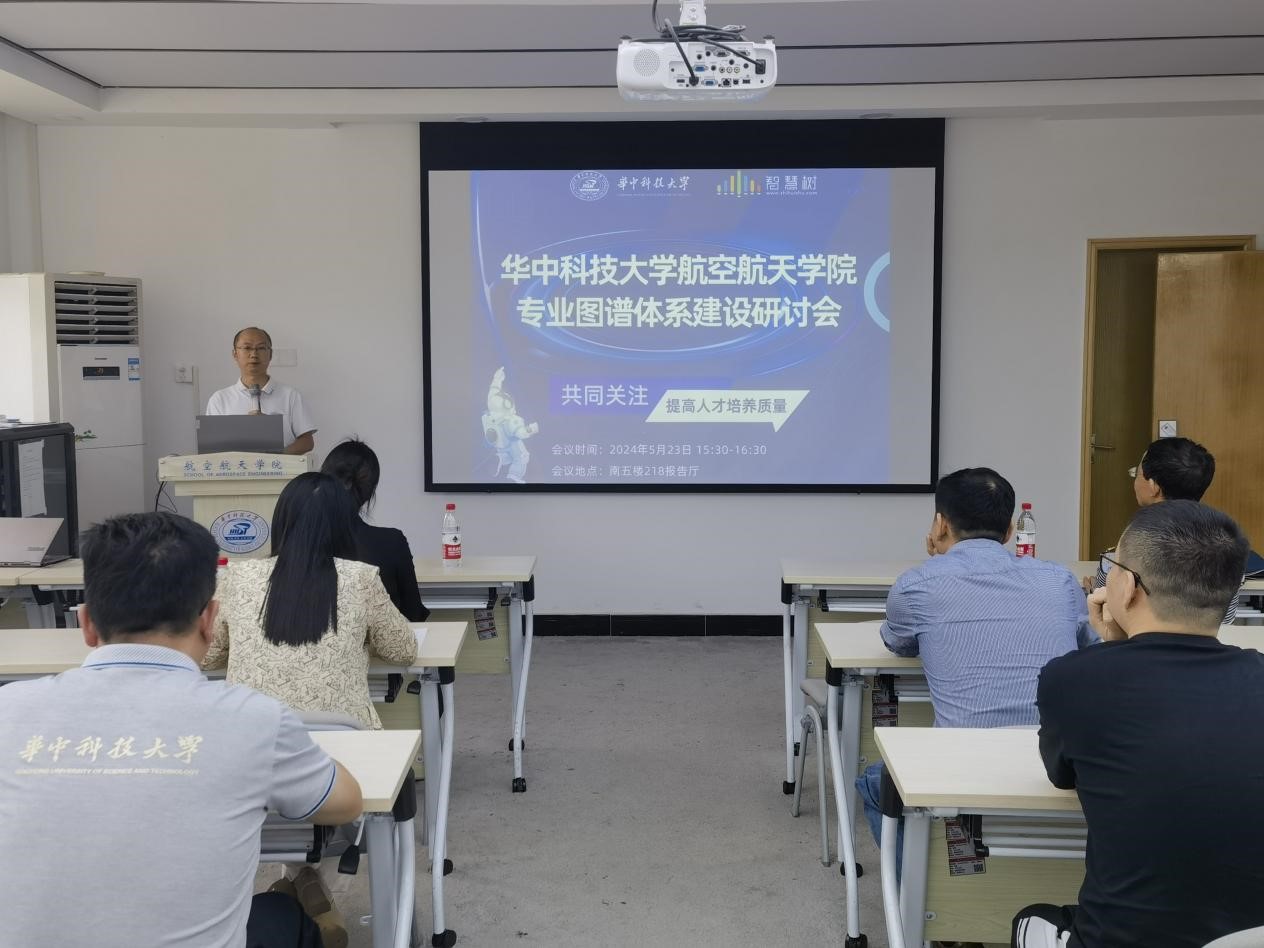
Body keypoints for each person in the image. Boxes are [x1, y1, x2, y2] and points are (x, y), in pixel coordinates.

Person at [0, 511, 363, 947]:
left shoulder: (9, 709)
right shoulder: (254, 720)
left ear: (87, 623)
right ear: (209, 620)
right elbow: (345, 804)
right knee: (283, 913)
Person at [1014, 501, 1264, 947]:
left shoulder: (1072, 678)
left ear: (1127, 586)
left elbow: (1062, 775)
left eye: (1111, 566)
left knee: (1030, 918)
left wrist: (1111, 648)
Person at [856, 467, 1094, 860]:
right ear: (1010, 530)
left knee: (873, 781)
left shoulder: (915, 585)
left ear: (940, 524)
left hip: (964, 764)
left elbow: (897, 643)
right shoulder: (1060, 580)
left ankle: (910, 893)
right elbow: (1089, 645)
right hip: (1061, 760)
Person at [205, 472, 418, 728]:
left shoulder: (238, 575)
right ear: (343, 526)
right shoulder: (360, 577)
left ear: (280, 521)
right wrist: (362, 640)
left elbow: (207, 657)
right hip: (345, 739)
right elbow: (403, 652)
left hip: (254, 736)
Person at [1085, 437, 1241, 623]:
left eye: (1137, 474)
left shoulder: (1134, 541)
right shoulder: (1224, 543)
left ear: (1153, 487)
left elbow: (1111, 614)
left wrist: (1096, 592)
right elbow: (1226, 619)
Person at [320, 438, 428, 621]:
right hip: (383, 638)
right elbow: (413, 613)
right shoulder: (391, 542)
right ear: (370, 491)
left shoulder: (300, 542)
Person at [206, 326, 316, 455]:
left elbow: (307, 442)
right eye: (247, 348)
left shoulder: (290, 395)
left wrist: (276, 456)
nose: (254, 354)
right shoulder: (220, 399)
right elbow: (212, 447)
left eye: (261, 348)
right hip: (236, 467)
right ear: (235, 354)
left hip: (280, 467)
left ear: (270, 354)